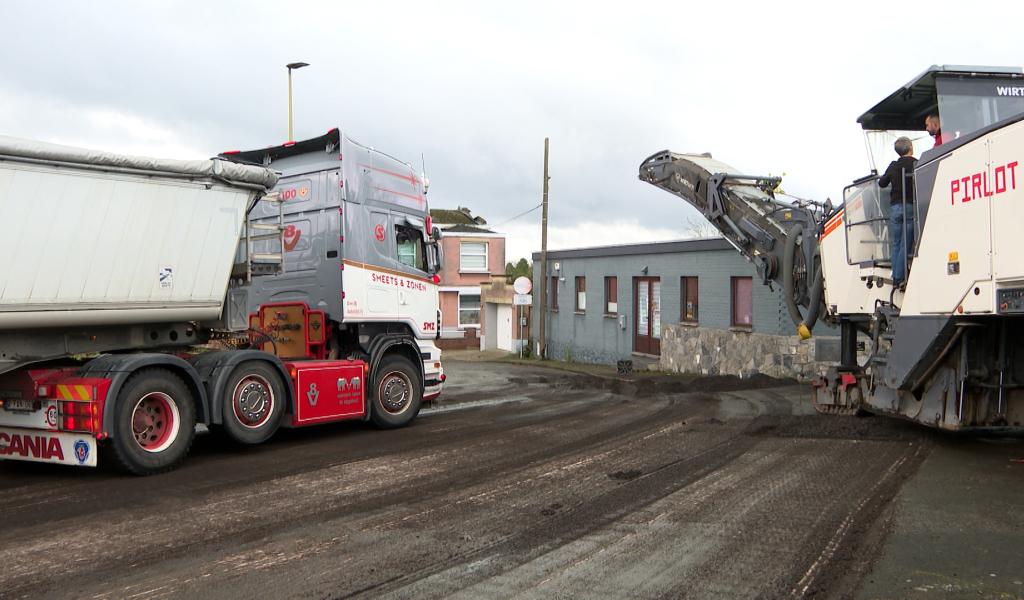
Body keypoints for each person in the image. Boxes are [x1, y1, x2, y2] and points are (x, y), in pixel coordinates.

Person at [879, 136, 917, 287]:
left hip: (895, 207)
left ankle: (896, 274)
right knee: (906, 243)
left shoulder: (893, 165)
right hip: (909, 205)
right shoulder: (915, 163)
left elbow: (882, 183)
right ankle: (900, 277)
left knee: (896, 243)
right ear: (910, 148)